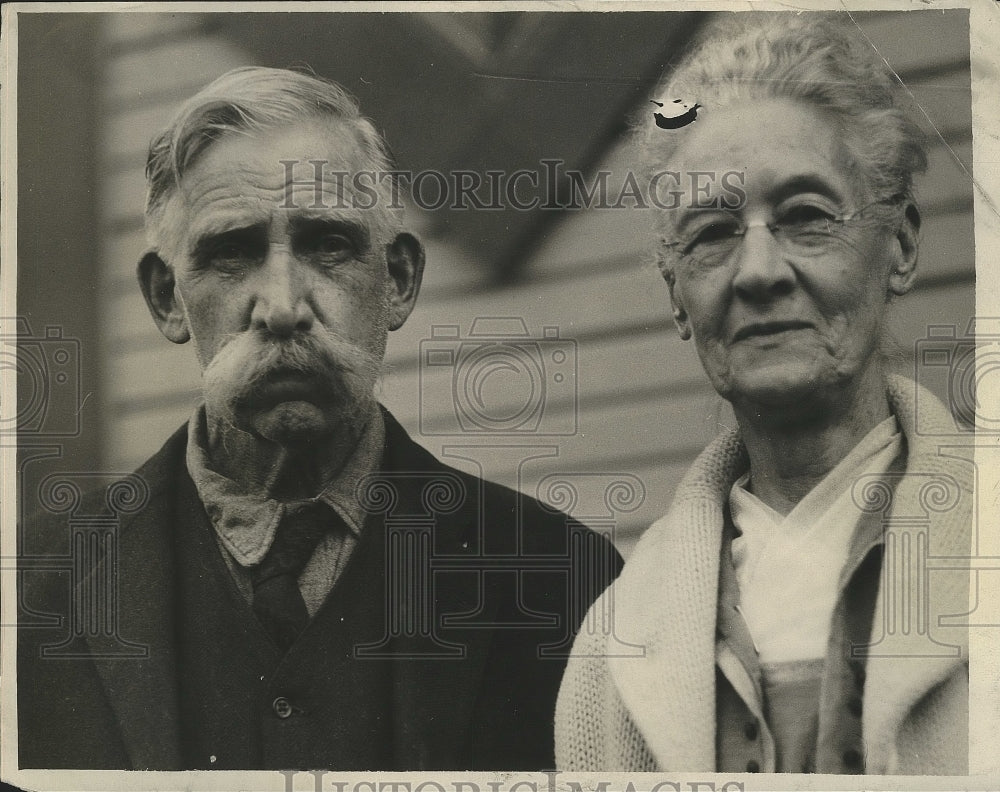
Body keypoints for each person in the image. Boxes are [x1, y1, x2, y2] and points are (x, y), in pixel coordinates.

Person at [18, 66, 621, 771]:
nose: (281, 305)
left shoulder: (561, 580)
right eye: (232, 253)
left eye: (327, 245)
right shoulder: (33, 585)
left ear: (396, 281)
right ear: (167, 300)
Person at [555, 14, 971, 775]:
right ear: (676, 294)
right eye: (712, 232)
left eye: (807, 217)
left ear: (902, 246)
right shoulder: (613, 643)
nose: (757, 272)